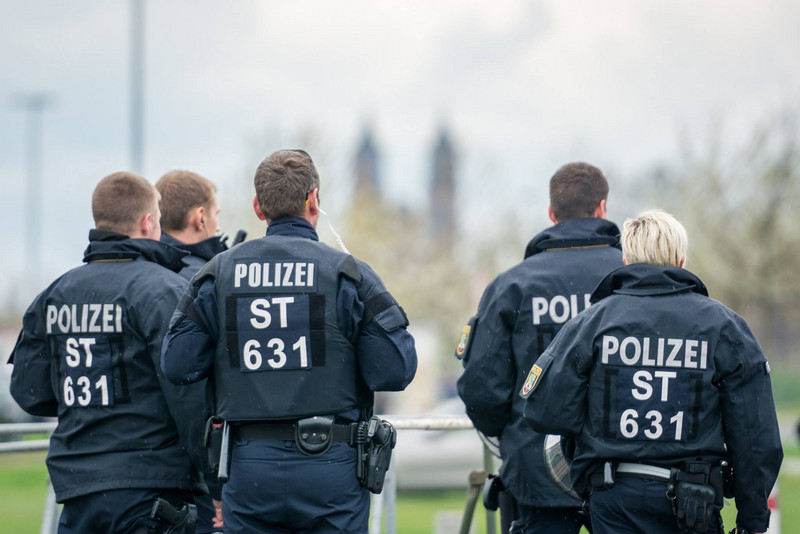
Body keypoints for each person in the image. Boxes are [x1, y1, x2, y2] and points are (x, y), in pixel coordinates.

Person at [161, 149, 418, 534]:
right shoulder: (348, 273)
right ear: (313, 199)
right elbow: (395, 369)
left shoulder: (219, 273)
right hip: (331, 469)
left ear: (258, 207)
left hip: (249, 472)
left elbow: (178, 363)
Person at [521, 209, 783, 534]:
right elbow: (756, 438)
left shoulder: (591, 324)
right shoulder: (726, 328)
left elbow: (544, 411)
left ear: (627, 261)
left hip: (612, 501)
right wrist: (753, 521)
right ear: (682, 261)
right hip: (694, 505)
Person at [9, 172, 207, 534]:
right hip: (151, 494)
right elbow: (192, 397)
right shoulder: (164, 290)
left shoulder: (54, 294)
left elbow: (30, 394)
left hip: (78, 494)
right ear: (148, 222)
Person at [456, 161, 622, 533]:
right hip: (622, 476)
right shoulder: (631, 281)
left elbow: (482, 388)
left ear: (551, 214)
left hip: (535, 477)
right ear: (602, 208)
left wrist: (517, 435)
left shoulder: (512, 286)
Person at [156, 169, 231, 533]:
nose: (217, 225)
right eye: (216, 215)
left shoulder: (143, 274)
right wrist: (217, 482)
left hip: (139, 471)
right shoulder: (197, 282)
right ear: (199, 217)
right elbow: (194, 396)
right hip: (192, 478)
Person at [156, 169, 227, 279]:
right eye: (215, 214)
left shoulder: (142, 264)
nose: (218, 228)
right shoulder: (207, 278)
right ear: (200, 218)